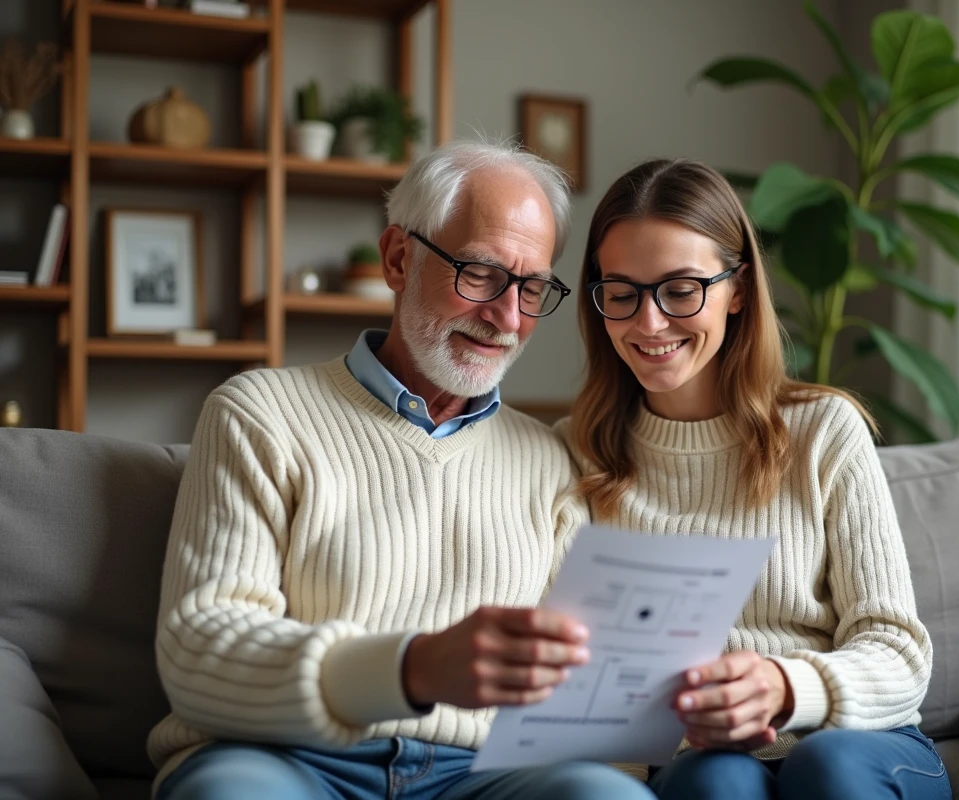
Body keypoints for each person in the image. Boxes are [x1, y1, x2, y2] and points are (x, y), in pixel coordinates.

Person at [150, 139, 654, 800]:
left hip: (481, 777)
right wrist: (410, 669)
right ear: (397, 258)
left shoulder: (551, 461)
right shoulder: (259, 415)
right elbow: (200, 650)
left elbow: (585, 689)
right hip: (287, 758)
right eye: (480, 274)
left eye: (532, 288)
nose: (507, 317)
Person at [561, 158, 951, 800]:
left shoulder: (824, 431)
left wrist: (785, 687)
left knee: (825, 768)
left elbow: (898, 651)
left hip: (853, 742)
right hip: (699, 759)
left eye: (681, 289)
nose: (649, 322)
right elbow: (585, 676)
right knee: (712, 780)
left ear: (738, 289)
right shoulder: (577, 452)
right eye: (622, 293)